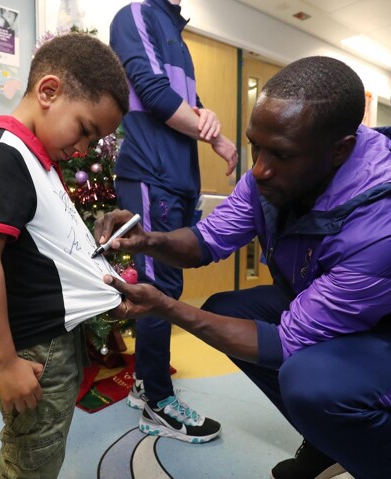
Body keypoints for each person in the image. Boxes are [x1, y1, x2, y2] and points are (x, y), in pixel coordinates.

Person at [96, 56, 391, 479]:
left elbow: (286, 343)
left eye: (281, 155)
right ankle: (330, 438)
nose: (259, 169)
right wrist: (148, 239)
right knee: (226, 310)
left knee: (310, 383)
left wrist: (166, 307)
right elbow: (204, 242)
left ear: (340, 150)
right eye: (255, 146)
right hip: (361, 327)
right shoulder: (278, 171)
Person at [0, 32, 129, 478]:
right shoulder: (7, 155)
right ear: (49, 92)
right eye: (85, 130)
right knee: (33, 458)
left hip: (54, 340)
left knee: (47, 446)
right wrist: (3, 363)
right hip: (31, 351)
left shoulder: (38, 159)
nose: (83, 150)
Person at [108, 0, 238, 443]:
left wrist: (207, 117)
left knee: (168, 286)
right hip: (151, 173)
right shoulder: (137, 14)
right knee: (157, 290)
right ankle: (157, 403)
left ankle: (146, 384)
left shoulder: (173, 29)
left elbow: (186, 103)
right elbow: (153, 91)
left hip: (178, 178)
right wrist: (215, 135)